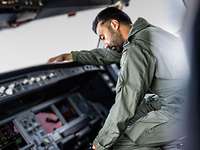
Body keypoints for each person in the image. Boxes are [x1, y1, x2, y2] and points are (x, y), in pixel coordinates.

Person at [48, 7, 189, 150]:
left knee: (119, 144)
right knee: (131, 118)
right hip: (180, 96)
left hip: (184, 109)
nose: (105, 44)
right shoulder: (146, 33)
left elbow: (126, 102)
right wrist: (73, 56)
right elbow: (109, 55)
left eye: (103, 37)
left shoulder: (136, 48)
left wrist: (100, 144)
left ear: (114, 25)